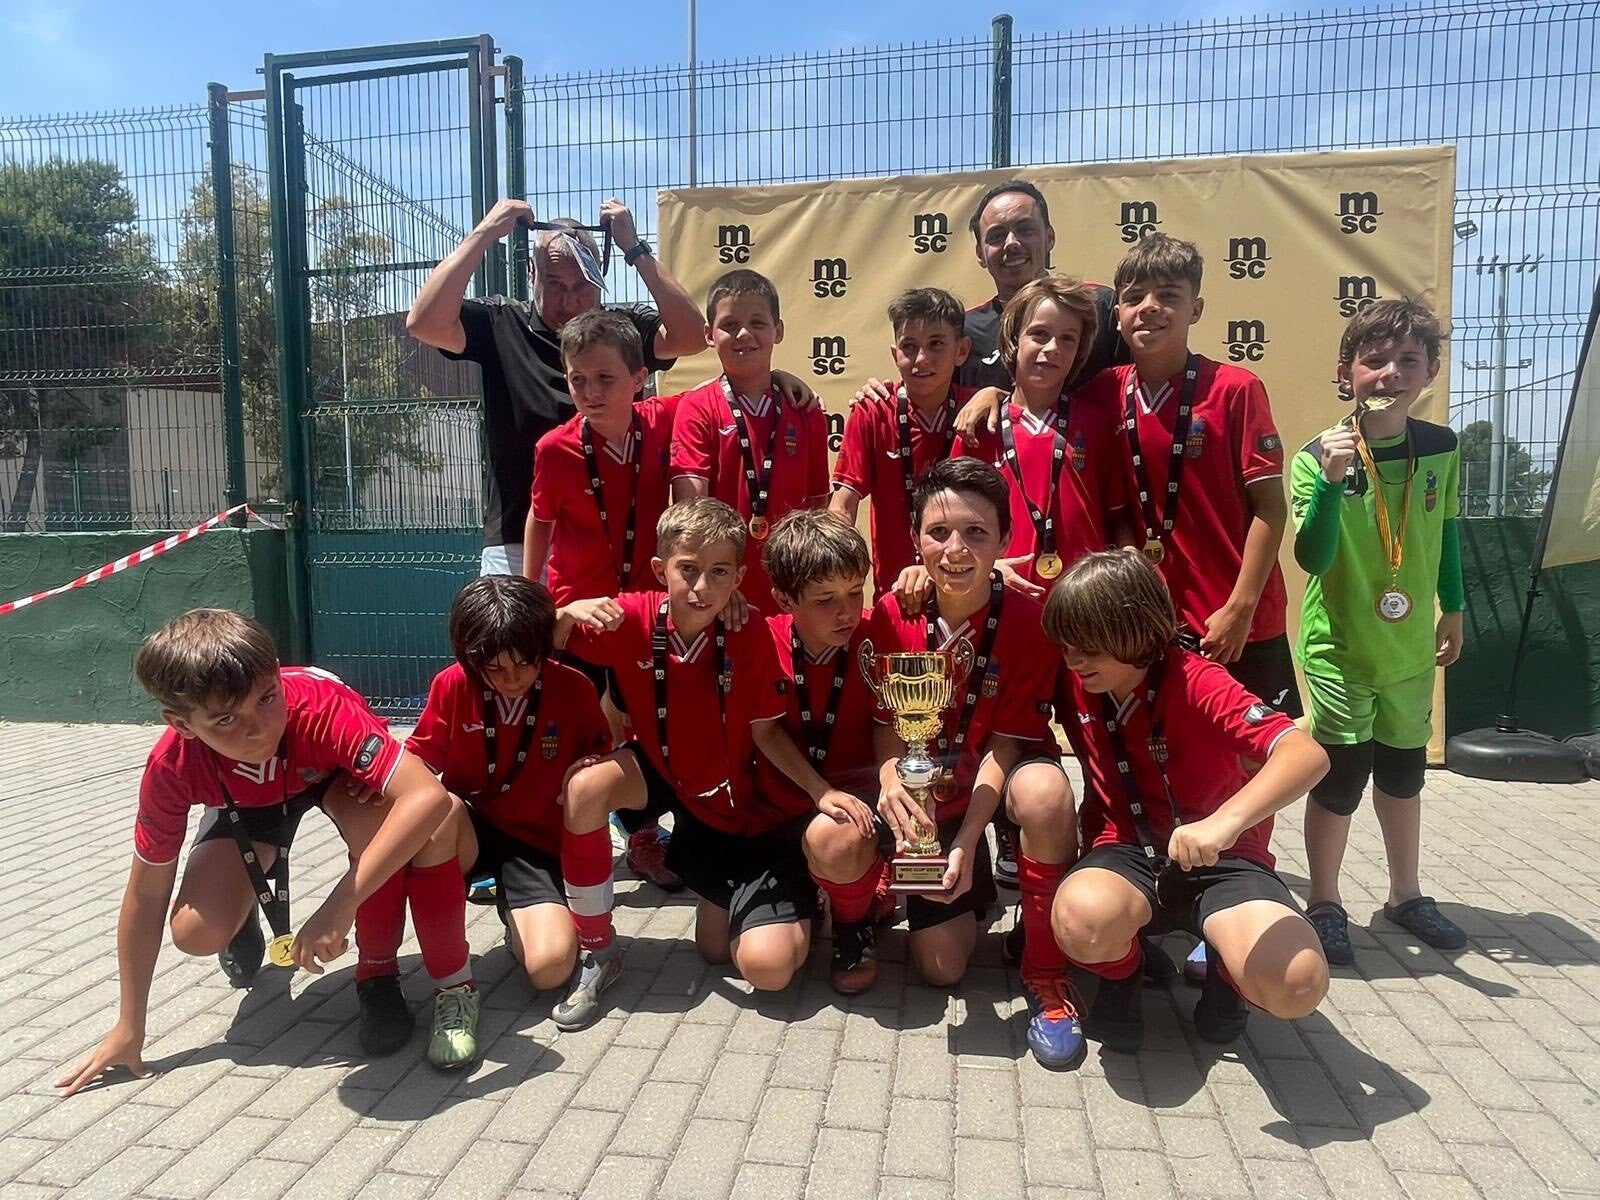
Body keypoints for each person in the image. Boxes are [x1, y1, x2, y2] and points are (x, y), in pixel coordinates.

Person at [58, 610, 451, 1095]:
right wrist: (129, 1024)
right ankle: (242, 903)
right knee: (195, 933)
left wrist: (338, 907)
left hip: (329, 777)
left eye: (267, 698)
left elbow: (427, 796)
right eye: (226, 719)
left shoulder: (320, 704)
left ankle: (377, 977)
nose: (260, 728)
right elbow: (146, 894)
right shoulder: (171, 764)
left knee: (392, 832)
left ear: (277, 674)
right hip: (245, 805)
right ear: (181, 724)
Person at [811, 458, 1084, 1068]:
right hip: (913, 800)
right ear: (914, 539)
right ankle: (875, 899)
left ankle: (1046, 969)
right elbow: (886, 723)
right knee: (932, 959)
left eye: (976, 532)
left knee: (1044, 794)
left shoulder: (1030, 621)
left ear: (1005, 540)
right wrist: (890, 778)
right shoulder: (892, 613)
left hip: (973, 801)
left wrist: (964, 838)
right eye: (938, 532)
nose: (955, 549)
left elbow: (1005, 747)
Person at [550, 498, 864, 1025]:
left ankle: (798, 902)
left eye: (719, 572)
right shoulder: (628, 616)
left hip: (728, 797)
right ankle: (598, 950)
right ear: (660, 570)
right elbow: (530, 647)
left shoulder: (747, 629)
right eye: (688, 569)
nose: (701, 586)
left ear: (739, 578)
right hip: (665, 773)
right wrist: (564, 614)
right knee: (585, 789)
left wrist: (820, 791)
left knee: (734, 959)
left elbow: (765, 731)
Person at [1045, 550, 1331, 1056]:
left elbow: (1304, 754)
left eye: (1087, 648)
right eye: (1066, 647)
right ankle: (1124, 977)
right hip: (1127, 850)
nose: (1073, 661)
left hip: (1222, 858)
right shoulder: (1075, 677)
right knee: (1081, 919)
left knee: (1297, 982)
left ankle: (1226, 972)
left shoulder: (1197, 678)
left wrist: (1224, 823)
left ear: (1134, 633)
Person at [1292, 298, 1466, 965]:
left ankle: (1405, 895)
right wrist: (1333, 483)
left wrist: (1453, 607)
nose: (1391, 373)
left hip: (1408, 649)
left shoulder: (1442, 448)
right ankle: (1325, 901)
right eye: (1374, 360)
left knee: (1403, 773)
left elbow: (1446, 532)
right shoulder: (1318, 456)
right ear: (1347, 372)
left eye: (1408, 360)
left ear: (1431, 372)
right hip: (1340, 649)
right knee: (1341, 778)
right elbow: (1313, 558)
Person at [406, 199, 704, 578]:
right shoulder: (503, 323)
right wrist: (484, 234)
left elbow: (693, 336)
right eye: (555, 284)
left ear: (600, 274)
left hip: (615, 541)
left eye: (581, 286)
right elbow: (424, 323)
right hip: (517, 541)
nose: (569, 301)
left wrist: (634, 248)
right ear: (532, 275)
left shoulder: (621, 330)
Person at [1083, 233, 1302, 720]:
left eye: (1168, 295)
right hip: (1152, 621)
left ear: (1195, 309)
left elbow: (1271, 507)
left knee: (1258, 756)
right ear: (1117, 314)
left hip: (1238, 622)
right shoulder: (1102, 393)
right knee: (1168, 750)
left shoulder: (1236, 389)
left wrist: (1241, 608)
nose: (1149, 307)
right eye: (1134, 297)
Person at [404, 576, 612, 1062]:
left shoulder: (573, 687)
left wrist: (591, 769)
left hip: (535, 842)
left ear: (543, 646)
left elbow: (602, 757)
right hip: (469, 829)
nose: (511, 677)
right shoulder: (451, 685)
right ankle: (452, 984)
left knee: (550, 969)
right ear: (469, 657)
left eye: (524, 662)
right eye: (494, 667)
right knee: (434, 810)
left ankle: (514, 912)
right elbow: (418, 759)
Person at [759, 510, 885, 993]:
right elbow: (765, 732)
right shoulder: (761, 640)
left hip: (854, 810)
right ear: (784, 599)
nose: (847, 612)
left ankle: (853, 925)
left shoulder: (878, 633)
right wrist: (819, 790)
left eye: (855, 592)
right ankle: (825, 889)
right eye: (825, 600)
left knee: (837, 836)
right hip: (785, 806)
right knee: (751, 962)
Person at [952, 274, 1128, 592]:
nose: (1052, 348)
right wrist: (986, 568)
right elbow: (952, 525)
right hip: (1000, 597)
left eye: (1067, 339)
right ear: (1014, 339)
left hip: (1083, 601)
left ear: (1080, 350)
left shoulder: (1095, 423)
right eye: (1039, 334)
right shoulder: (979, 427)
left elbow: (1118, 518)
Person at [670, 269, 830, 609]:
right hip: (726, 595)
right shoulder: (696, 408)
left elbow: (818, 509)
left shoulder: (806, 410)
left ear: (778, 330)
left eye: (758, 323)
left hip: (793, 586)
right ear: (709, 334)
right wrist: (718, 586)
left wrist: (814, 582)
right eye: (729, 325)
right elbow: (691, 510)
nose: (744, 334)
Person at [523, 308, 676, 607]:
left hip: (651, 603)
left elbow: (712, 394)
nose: (591, 392)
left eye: (605, 378)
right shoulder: (554, 448)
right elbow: (540, 518)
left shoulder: (663, 419)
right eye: (578, 379)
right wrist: (528, 591)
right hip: (579, 605)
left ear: (639, 379)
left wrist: (771, 375)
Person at [830, 288, 974, 596]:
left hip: (966, 586)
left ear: (961, 350)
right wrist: (834, 571)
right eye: (909, 346)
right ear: (895, 354)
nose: (921, 359)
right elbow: (843, 504)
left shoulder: (978, 412)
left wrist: (996, 394)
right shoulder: (873, 411)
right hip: (897, 591)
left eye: (936, 344)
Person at [958, 180, 1123, 394]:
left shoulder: (1099, 306)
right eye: (997, 236)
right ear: (980, 253)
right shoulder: (964, 330)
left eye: (1025, 230)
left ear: (1049, 237)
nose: (1011, 243)